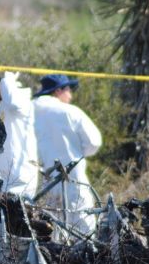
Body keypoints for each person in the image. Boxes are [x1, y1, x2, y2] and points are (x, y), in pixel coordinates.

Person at [32, 74, 102, 236]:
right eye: (68, 90)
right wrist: (76, 153)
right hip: (72, 178)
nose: (70, 95)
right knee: (82, 229)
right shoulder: (70, 112)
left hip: (41, 181)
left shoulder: (29, 111)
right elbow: (94, 142)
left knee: (49, 228)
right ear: (58, 91)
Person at [0, 71, 39, 198]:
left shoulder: (20, 99)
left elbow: (14, 102)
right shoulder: (2, 105)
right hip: (6, 177)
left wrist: (5, 80)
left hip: (20, 176)